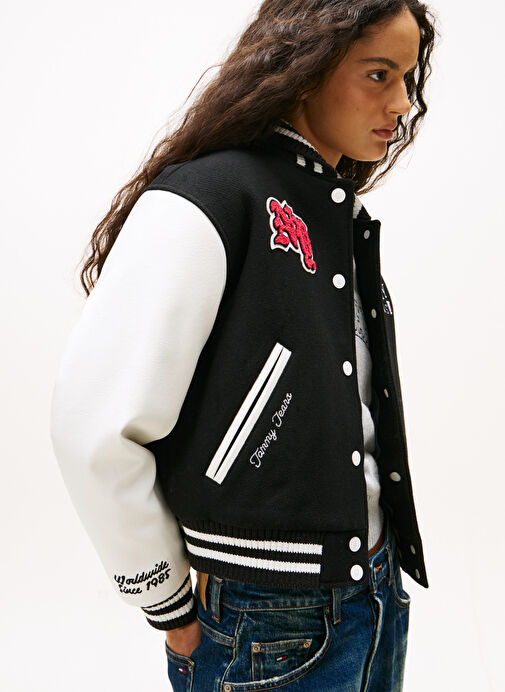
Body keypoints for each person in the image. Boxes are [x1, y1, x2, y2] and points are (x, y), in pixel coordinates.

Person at [49, 0, 439, 689]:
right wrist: (166, 601)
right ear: (306, 69)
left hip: (372, 591)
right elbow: (92, 426)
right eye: (378, 74)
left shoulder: (328, 205)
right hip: (266, 617)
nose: (402, 102)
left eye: (407, 77)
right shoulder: (211, 195)